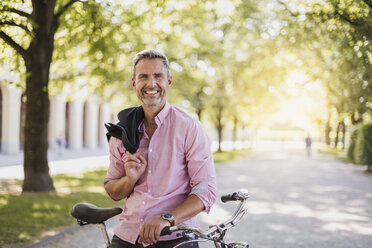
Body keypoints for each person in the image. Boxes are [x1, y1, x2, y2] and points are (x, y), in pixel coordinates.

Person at [104, 50, 217, 248]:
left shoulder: (189, 127)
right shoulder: (121, 132)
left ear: (169, 81)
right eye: (143, 77)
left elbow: (205, 192)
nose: (151, 84)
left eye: (158, 76)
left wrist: (167, 219)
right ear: (134, 83)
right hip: (127, 236)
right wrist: (129, 179)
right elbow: (112, 190)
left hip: (175, 237)